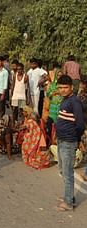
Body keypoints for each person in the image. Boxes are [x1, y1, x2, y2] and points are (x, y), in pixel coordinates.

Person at [55, 75, 85, 211]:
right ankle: (68, 196)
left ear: (72, 87)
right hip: (61, 140)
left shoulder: (75, 102)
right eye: (60, 87)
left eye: (65, 87)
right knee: (62, 169)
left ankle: (68, 202)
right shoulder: (65, 100)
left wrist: (77, 140)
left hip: (69, 141)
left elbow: (80, 124)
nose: (63, 90)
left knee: (67, 173)